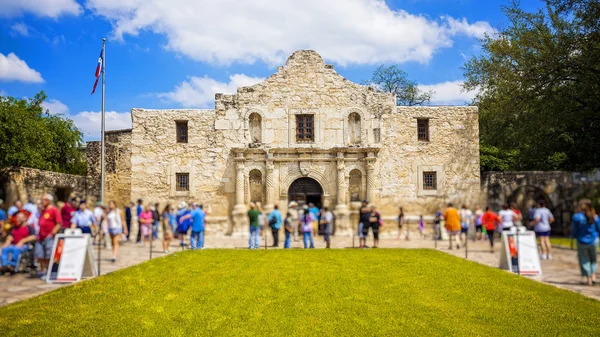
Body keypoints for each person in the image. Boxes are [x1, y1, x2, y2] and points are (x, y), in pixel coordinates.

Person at [570, 199, 600, 286]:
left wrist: (572, 237)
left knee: (584, 260)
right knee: (593, 259)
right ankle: (593, 276)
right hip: (594, 240)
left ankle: (588, 279)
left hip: (581, 241)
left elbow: (574, 230)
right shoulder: (595, 216)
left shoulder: (576, 217)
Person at [35, 194, 62, 279]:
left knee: (49, 255)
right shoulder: (43, 210)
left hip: (49, 237)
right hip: (41, 236)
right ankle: (44, 270)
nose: (42, 201)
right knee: (39, 254)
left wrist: (52, 234)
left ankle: (49, 271)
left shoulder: (54, 210)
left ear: (49, 201)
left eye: (44, 200)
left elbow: (59, 223)